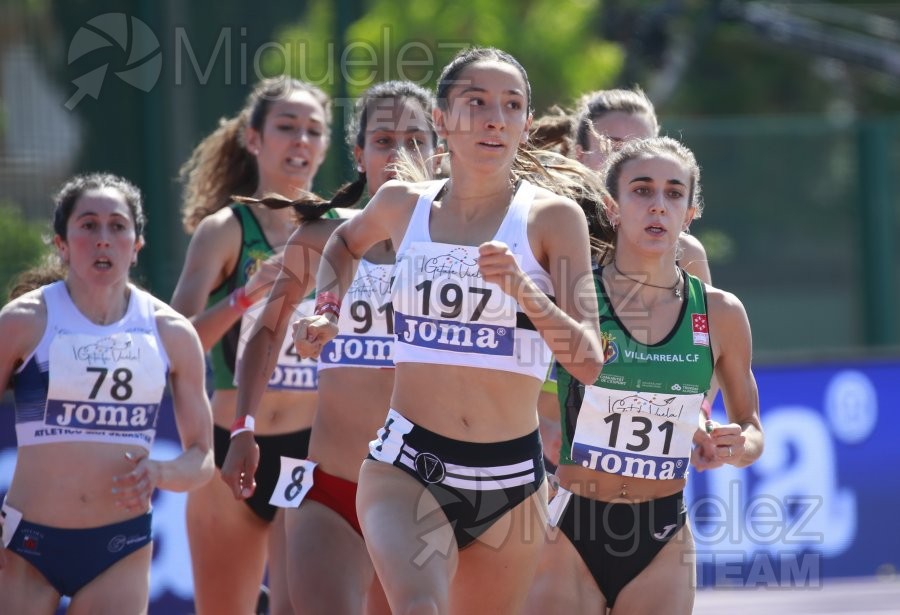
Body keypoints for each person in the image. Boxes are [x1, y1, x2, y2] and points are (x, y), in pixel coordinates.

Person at [295, 47, 606, 614]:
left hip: (511, 480)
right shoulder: (399, 205)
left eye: (511, 106)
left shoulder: (553, 220)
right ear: (441, 121)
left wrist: (525, 292)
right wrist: (328, 306)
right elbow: (342, 242)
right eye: (476, 103)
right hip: (408, 463)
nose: (494, 118)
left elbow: (587, 360)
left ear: (525, 125)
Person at [222, 80, 438, 614]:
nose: (399, 154)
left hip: (425, 490)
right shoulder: (321, 236)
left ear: (439, 154)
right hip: (328, 486)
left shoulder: (463, 246)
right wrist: (243, 428)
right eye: (384, 140)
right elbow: (264, 334)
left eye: (416, 140)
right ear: (360, 155)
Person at [526, 137, 764, 614]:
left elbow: (752, 424)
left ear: (691, 212)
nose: (658, 205)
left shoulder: (721, 313)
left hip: (662, 534)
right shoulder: (574, 297)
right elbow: (522, 398)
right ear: (612, 208)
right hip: (572, 523)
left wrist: (739, 445)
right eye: (642, 191)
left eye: (674, 194)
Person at [0, 173, 213, 614]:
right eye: (88, 225)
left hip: (119, 549)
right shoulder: (24, 322)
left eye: (117, 226)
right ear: (61, 243)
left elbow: (202, 458)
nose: (103, 239)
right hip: (25, 544)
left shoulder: (171, 332)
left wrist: (160, 472)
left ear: (136, 246)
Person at [170, 76, 330, 615]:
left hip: (313, 451)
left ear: (327, 146)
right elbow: (178, 344)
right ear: (254, 140)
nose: (300, 141)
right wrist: (245, 296)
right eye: (286, 127)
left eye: (313, 130)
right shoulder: (224, 231)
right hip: (228, 446)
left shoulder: (343, 232)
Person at [531, 87, 716, 465]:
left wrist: (696, 416)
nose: (631, 157)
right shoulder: (543, 235)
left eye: (643, 144)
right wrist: (540, 430)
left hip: (643, 461)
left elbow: (710, 354)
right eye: (614, 145)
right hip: (543, 453)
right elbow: (510, 345)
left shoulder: (685, 252)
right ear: (580, 154)